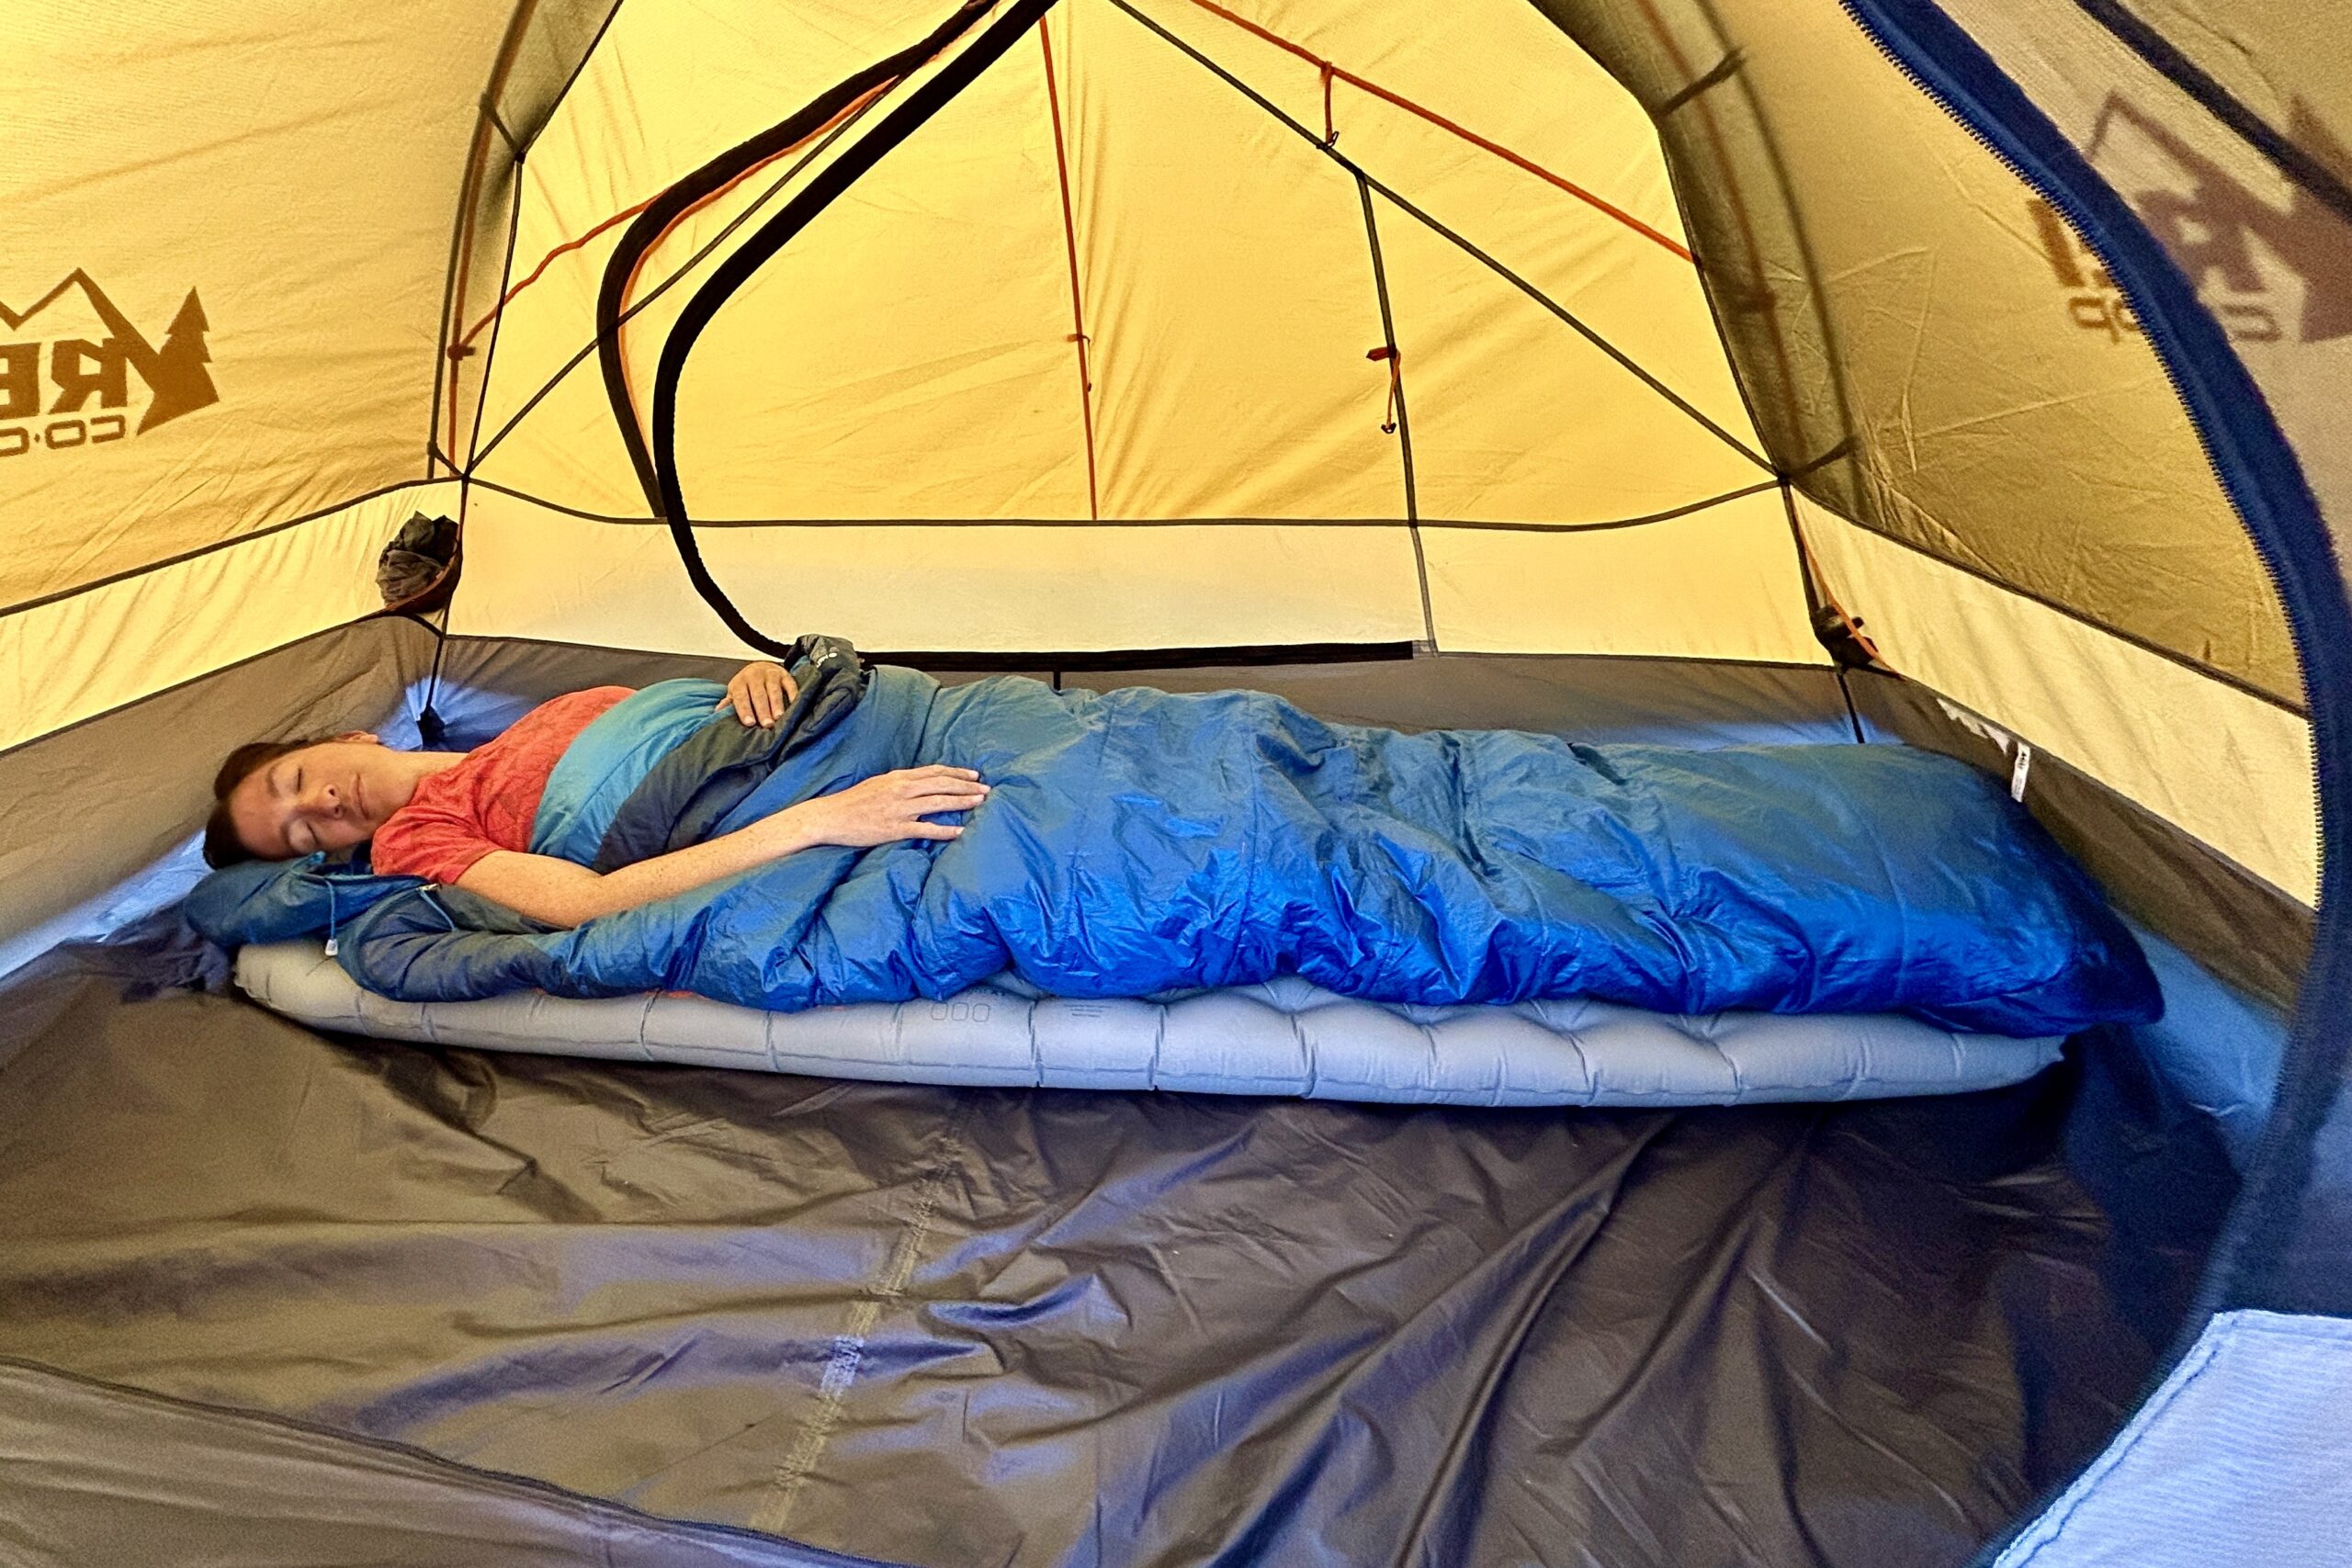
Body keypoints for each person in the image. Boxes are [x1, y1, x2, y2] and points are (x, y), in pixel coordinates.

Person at [203, 660, 989, 929]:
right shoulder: (419, 839)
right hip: (794, 798)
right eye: (303, 835)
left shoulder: (512, 735)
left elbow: (676, 729)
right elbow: (589, 903)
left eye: (296, 780)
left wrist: (749, 676)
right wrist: (820, 820)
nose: (323, 804)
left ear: (348, 736)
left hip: (821, 729)